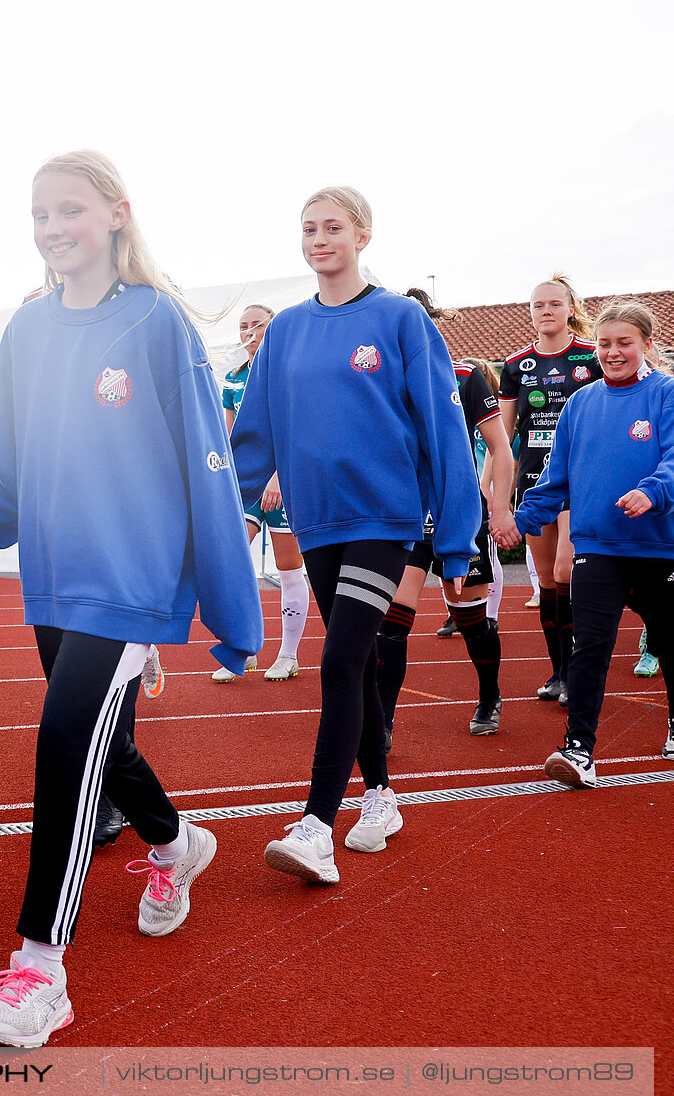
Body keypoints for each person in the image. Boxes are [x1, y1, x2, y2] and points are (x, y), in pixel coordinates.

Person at [0, 150, 259, 1048]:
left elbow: (208, 460)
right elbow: (11, 478)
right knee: (103, 750)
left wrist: (230, 607)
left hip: (132, 581)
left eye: (68, 209)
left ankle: (41, 967)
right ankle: (177, 843)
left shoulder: (158, 322)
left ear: (117, 214)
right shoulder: (25, 331)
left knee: (63, 744)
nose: (50, 228)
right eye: (39, 213)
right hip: (53, 578)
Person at [231, 186, 481, 879]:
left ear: (363, 235)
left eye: (333, 227)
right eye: (308, 228)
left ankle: (316, 824)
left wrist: (456, 537)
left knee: (340, 661)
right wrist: (239, 514)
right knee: (360, 665)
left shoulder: (400, 319)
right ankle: (380, 796)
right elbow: (255, 432)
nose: (319, 239)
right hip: (316, 521)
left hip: (384, 519)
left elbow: (443, 428)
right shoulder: (282, 331)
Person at [497, 301, 674, 787]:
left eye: (624, 343)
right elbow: (556, 478)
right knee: (590, 645)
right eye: (605, 344)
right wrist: (522, 520)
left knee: (671, 641)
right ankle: (579, 748)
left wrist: (651, 492)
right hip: (597, 545)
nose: (613, 353)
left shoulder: (671, 395)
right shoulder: (580, 404)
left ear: (648, 345)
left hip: (660, 546)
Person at [373, 288, 514, 740]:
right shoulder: (378, 371)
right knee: (392, 622)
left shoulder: (466, 374)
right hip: (404, 516)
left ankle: (490, 696)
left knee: (470, 619)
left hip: (457, 513)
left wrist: (498, 506)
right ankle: (384, 721)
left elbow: (500, 448)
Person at [497, 275, 602, 706]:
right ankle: (559, 672)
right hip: (534, 481)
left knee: (565, 571)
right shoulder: (516, 364)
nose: (546, 311)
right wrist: (495, 491)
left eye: (555, 304)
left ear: (570, 309)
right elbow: (501, 438)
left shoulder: (593, 358)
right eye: (538, 305)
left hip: (581, 480)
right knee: (545, 580)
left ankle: (579, 669)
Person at [218, 302, 311, 682]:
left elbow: (297, 430)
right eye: (243, 326)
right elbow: (227, 440)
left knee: (289, 568)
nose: (250, 332)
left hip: (283, 482)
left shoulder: (289, 371)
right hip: (245, 485)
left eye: (258, 324)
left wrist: (277, 476)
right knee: (235, 563)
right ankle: (243, 649)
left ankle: (288, 654)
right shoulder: (233, 379)